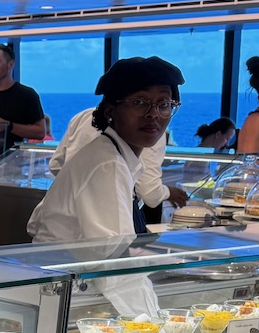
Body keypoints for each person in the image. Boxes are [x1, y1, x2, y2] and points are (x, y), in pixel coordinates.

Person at [29, 56, 185, 244]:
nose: (153, 114)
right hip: (67, 269)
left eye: (164, 104)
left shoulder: (112, 153)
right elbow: (108, 254)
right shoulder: (107, 164)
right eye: (139, 102)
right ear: (110, 111)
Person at [50, 104, 188, 221]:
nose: (153, 114)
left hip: (64, 212)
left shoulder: (82, 117)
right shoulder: (149, 131)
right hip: (113, 212)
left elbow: (55, 165)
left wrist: (78, 188)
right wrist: (170, 192)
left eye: (163, 104)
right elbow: (149, 192)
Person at [0, 43, 46, 148]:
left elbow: (40, 132)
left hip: (11, 159)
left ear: (10, 64)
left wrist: (6, 125)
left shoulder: (27, 95)